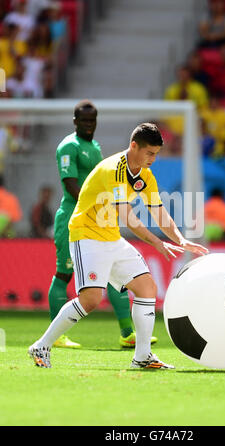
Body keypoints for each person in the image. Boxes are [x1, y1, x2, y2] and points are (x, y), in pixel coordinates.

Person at [28, 122, 209, 369]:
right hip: (87, 235)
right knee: (90, 299)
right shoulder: (114, 169)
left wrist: (180, 238)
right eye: (150, 153)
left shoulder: (145, 175)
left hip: (111, 237)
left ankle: (142, 356)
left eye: (156, 154)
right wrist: (157, 242)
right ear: (134, 146)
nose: (153, 159)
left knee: (147, 287)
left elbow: (158, 212)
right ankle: (42, 345)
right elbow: (128, 218)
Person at [48, 100, 154, 349]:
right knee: (64, 274)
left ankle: (127, 332)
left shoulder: (94, 146)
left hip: (98, 219)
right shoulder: (68, 146)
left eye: (92, 120)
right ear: (75, 121)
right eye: (84, 120)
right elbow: (71, 185)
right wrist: (105, 203)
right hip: (74, 218)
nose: (88, 124)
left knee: (113, 274)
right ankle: (57, 335)